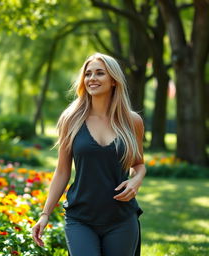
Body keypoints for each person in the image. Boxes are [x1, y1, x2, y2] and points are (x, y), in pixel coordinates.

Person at [32, 52, 146, 256]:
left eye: (100, 73)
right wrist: (45, 214)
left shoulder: (132, 121)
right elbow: (62, 172)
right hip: (80, 218)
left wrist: (136, 180)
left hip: (121, 217)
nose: (92, 78)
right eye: (88, 74)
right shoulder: (71, 119)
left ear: (113, 80)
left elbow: (138, 164)